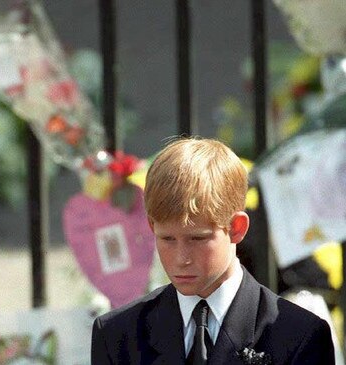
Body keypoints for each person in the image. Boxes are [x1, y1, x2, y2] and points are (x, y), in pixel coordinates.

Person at [91, 137, 335, 364]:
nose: (180, 258)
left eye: (198, 239)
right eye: (167, 239)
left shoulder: (300, 336)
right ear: (152, 226)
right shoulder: (117, 336)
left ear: (237, 228)